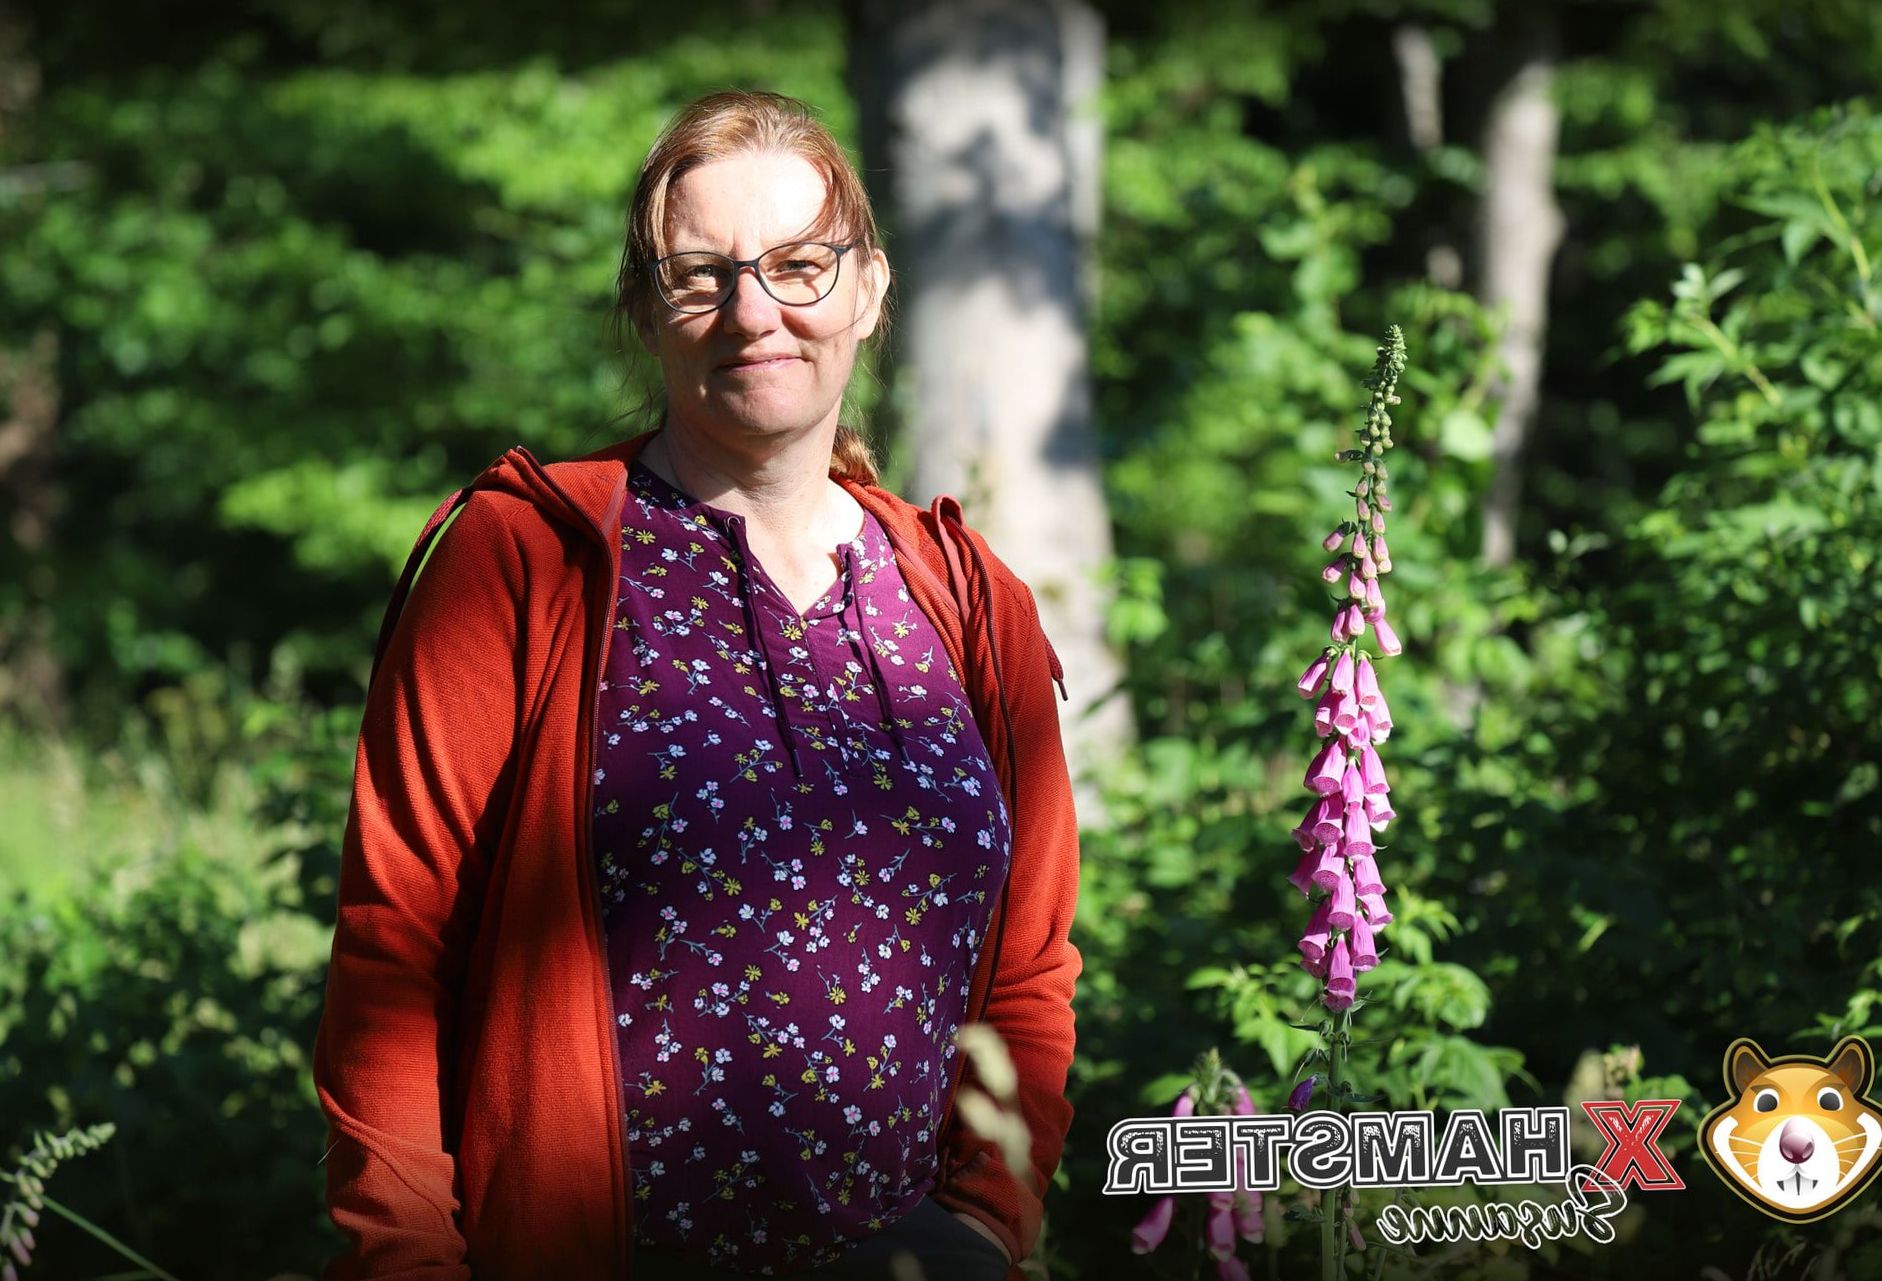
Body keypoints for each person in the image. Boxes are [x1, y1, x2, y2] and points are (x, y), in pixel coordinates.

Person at [312, 90, 1083, 1281]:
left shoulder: (968, 599)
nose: (753, 311)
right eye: (700, 277)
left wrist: (983, 1223)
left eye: (798, 265)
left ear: (869, 289)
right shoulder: (524, 559)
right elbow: (394, 950)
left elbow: (1028, 967)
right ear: (644, 309)